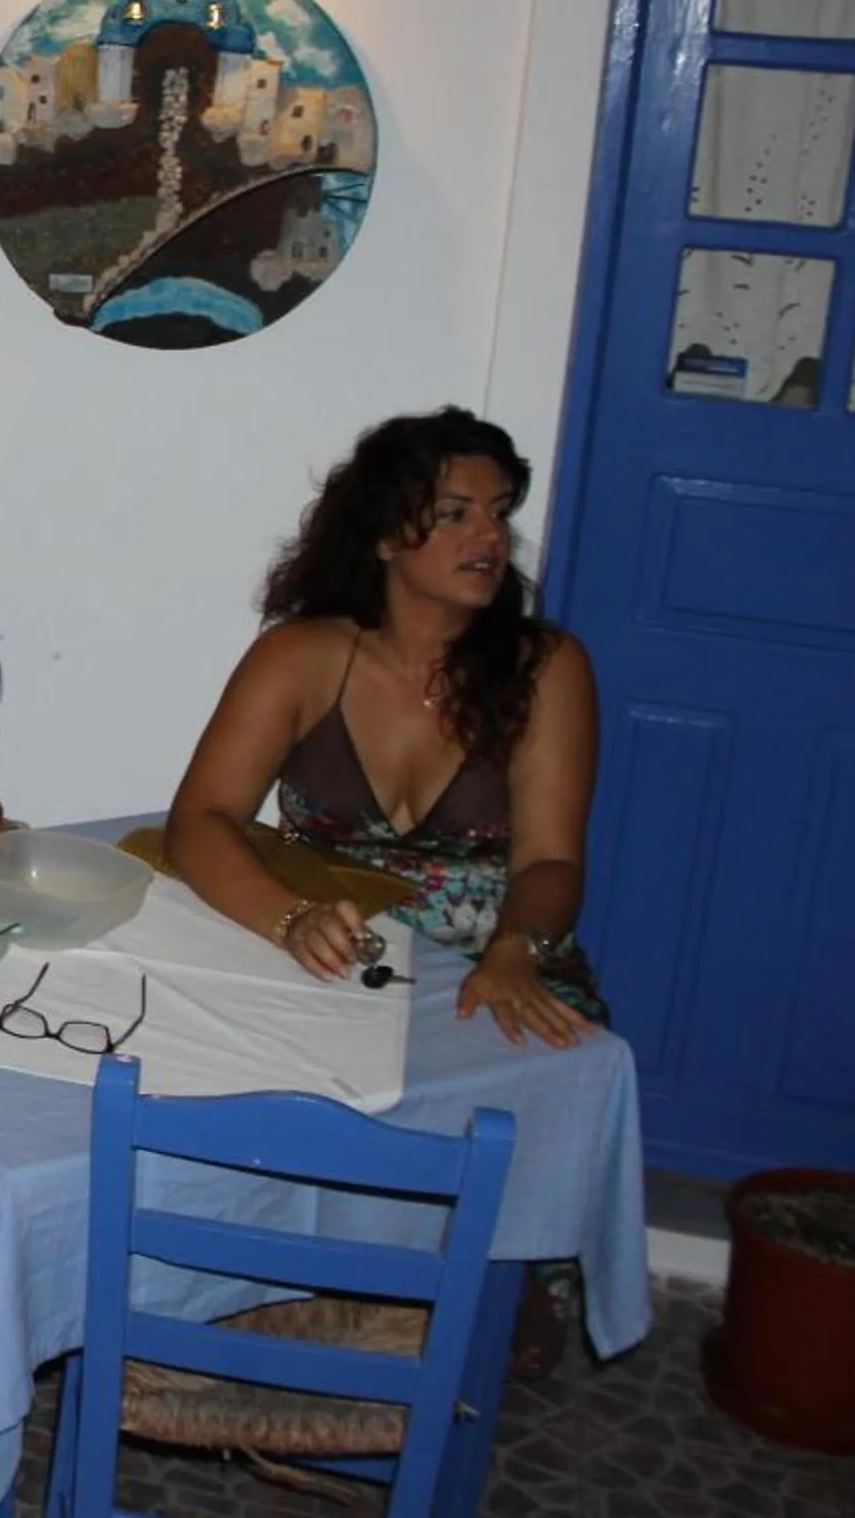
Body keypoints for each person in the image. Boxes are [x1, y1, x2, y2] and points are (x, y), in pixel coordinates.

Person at [164, 407, 601, 1049]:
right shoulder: (300, 657)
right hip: (335, 956)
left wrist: (516, 950)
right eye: (455, 514)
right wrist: (289, 920)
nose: (490, 538)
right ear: (386, 537)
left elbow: (551, 860)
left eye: (499, 512)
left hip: (497, 963)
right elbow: (199, 819)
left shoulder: (546, 668)